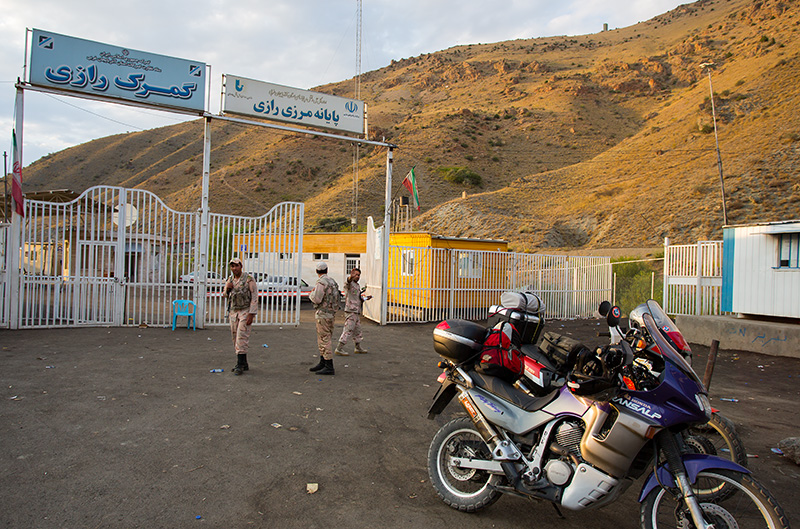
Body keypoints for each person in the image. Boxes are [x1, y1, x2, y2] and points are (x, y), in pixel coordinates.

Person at [223, 257, 258, 375]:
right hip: (234, 311)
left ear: (241, 266)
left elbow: (254, 296)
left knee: (241, 336)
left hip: (245, 310)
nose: (234, 268)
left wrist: (251, 314)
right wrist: (227, 289)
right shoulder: (230, 279)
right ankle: (244, 363)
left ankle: (239, 364)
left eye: (236, 266)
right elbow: (224, 295)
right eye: (232, 266)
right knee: (235, 336)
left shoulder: (248, 279)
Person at [308, 262, 340, 375]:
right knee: (325, 338)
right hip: (331, 314)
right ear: (327, 269)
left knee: (324, 339)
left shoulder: (321, 282)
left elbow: (316, 298)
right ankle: (323, 361)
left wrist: (310, 295)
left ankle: (328, 365)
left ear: (317, 271)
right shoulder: (333, 282)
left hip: (322, 314)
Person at [335, 267, 372, 356]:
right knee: (348, 329)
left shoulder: (357, 286)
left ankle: (358, 347)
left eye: (359, 275)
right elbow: (347, 282)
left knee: (357, 330)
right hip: (350, 311)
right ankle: (339, 348)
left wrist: (366, 298)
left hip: (356, 311)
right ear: (351, 275)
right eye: (355, 275)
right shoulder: (349, 284)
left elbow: (358, 298)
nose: (357, 276)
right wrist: (350, 277)